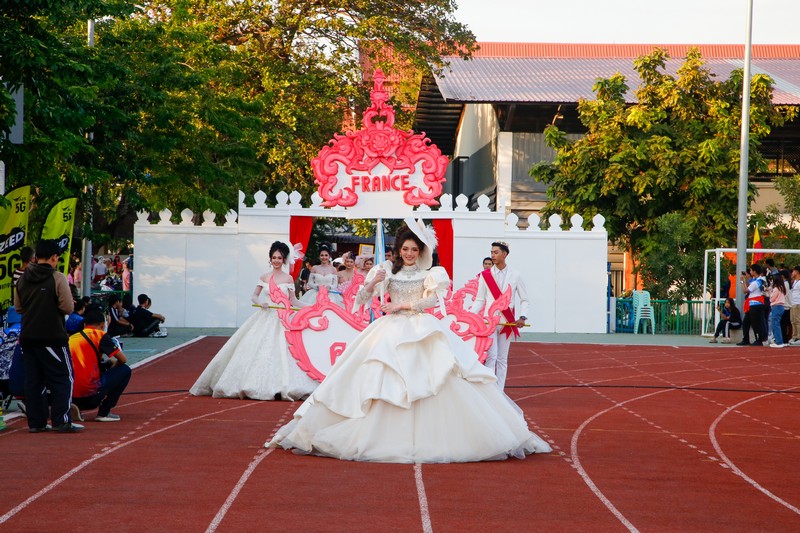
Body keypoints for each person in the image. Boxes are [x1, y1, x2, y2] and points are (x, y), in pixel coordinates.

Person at [267, 221, 551, 463]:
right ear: (399, 250)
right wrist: (372, 282)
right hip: (389, 329)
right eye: (405, 249)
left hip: (421, 326)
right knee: (380, 377)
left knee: (436, 376)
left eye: (414, 249)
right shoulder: (387, 271)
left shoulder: (430, 274)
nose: (410, 254)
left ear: (422, 251)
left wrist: (402, 306)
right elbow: (362, 299)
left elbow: (431, 301)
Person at [190, 241, 317, 400]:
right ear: (270, 258)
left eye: (279, 258)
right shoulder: (264, 277)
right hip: (265, 316)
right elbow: (254, 296)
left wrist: (311, 307)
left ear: (284, 259)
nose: (276, 260)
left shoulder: (288, 278)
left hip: (283, 319)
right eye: (274, 257)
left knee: (287, 353)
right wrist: (261, 303)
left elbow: (293, 300)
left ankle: (282, 385)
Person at [14, 239, 82, 433]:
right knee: (63, 378)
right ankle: (61, 420)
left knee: (34, 380)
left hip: (28, 336)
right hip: (52, 335)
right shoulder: (57, 277)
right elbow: (67, 307)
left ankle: (37, 423)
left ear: (36, 257)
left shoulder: (22, 279)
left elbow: (18, 307)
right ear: (54, 257)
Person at [469, 241, 529, 390]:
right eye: (491, 252)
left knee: (502, 358)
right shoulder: (485, 275)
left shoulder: (515, 275)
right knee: (491, 356)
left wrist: (522, 317)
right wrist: (470, 316)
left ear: (504, 254)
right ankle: (491, 390)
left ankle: (500, 391)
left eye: (496, 252)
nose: (493, 255)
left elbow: (524, 299)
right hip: (489, 322)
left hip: (507, 322)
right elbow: (480, 300)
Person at [69, 305, 132, 422]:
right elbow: (123, 359)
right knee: (125, 370)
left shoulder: (71, 338)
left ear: (85, 324)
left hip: (71, 394)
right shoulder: (100, 335)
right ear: (103, 325)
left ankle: (74, 407)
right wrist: (114, 365)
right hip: (91, 394)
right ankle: (104, 412)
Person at [737, 264, 767, 347]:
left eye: (750, 270)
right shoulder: (759, 280)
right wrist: (746, 279)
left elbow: (745, 290)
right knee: (746, 322)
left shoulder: (757, 282)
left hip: (755, 304)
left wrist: (742, 281)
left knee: (755, 323)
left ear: (754, 271)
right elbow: (749, 286)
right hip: (754, 304)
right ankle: (746, 339)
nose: (749, 272)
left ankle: (758, 340)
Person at [768, 272, 787, 348]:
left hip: (776, 307)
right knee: (777, 324)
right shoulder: (781, 288)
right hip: (780, 307)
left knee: (775, 325)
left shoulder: (776, 289)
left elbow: (771, 299)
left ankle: (779, 342)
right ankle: (779, 340)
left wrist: (769, 292)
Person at [789, 266, 800, 346]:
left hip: (797, 303)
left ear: (797, 272)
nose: (792, 273)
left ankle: (799, 337)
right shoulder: (795, 281)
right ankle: (794, 336)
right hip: (793, 303)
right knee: (793, 321)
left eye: (793, 271)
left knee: (797, 321)